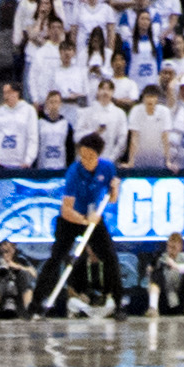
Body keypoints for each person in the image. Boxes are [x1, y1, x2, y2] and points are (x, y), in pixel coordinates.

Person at [33, 130, 122, 318]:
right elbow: (66, 209)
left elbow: (112, 199)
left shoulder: (107, 168)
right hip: (71, 220)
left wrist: (116, 190)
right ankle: (36, 303)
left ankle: (118, 304)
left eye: (90, 156)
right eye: (82, 155)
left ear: (98, 155)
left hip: (94, 217)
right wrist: (83, 221)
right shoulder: (73, 172)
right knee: (56, 258)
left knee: (110, 257)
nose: (85, 159)